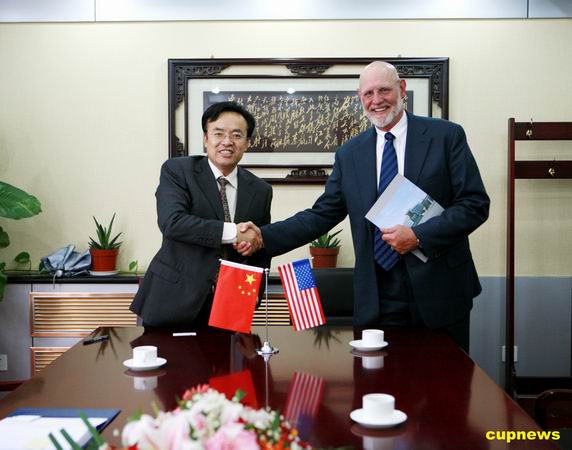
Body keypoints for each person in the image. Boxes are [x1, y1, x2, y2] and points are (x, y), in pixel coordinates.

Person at [237, 61, 489, 352]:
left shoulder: (445, 136)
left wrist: (419, 236)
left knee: (446, 378)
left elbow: (474, 204)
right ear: (360, 98)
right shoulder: (350, 153)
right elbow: (322, 214)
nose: (376, 100)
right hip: (379, 294)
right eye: (368, 93)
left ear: (402, 89)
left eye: (384, 90)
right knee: (381, 376)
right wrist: (263, 237)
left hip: (441, 288)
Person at [131, 101, 272, 327]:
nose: (227, 141)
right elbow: (172, 222)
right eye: (218, 133)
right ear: (206, 139)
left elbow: (261, 246)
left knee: (229, 352)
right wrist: (233, 233)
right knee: (166, 352)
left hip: (231, 303)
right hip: (173, 299)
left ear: (247, 143)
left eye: (237, 135)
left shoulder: (261, 190)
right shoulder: (178, 171)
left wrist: (255, 291)